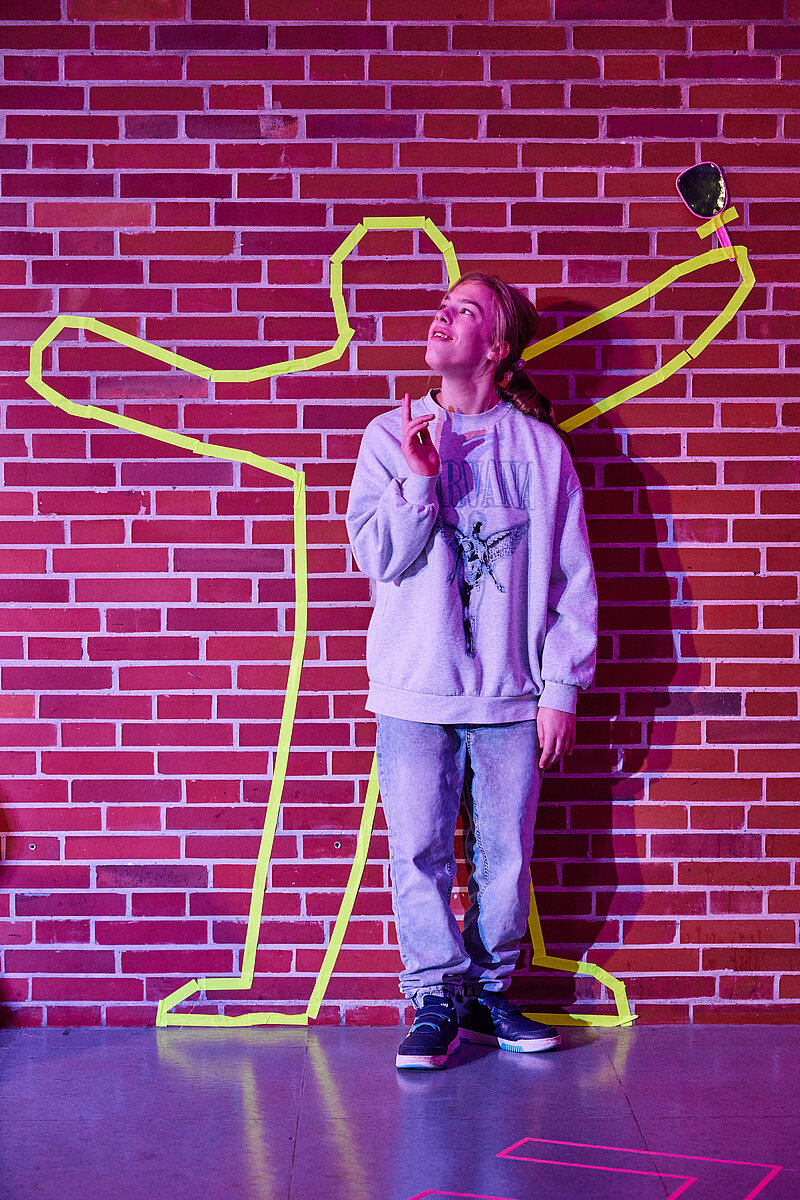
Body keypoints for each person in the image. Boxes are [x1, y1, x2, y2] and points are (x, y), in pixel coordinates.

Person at [345, 272, 598, 1069]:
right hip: (413, 688)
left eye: (464, 310)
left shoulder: (541, 452)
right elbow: (376, 556)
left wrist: (561, 688)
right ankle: (433, 996)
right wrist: (420, 480)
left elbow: (571, 582)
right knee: (417, 852)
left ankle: (488, 994)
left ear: (496, 346)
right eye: (441, 304)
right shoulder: (389, 436)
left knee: (507, 858)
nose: (440, 315)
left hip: (511, 696)